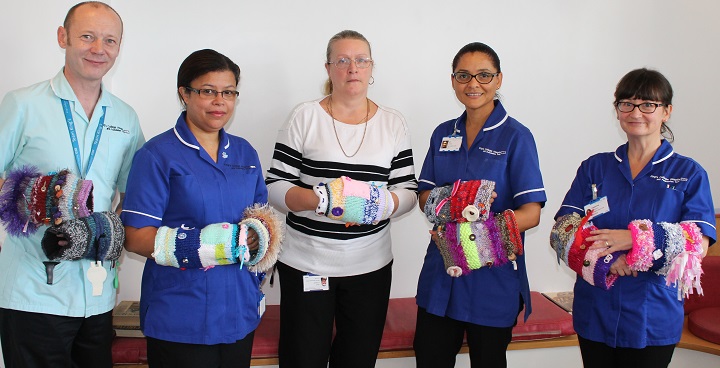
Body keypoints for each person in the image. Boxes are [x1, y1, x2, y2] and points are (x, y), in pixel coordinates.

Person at [0, 2, 144, 367]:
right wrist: (30, 197)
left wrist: (110, 228)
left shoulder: (125, 116)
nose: (99, 48)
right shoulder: (22, 104)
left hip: (97, 296)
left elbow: (134, 194)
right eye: (87, 36)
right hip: (32, 292)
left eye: (110, 40)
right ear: (63, 37)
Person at [120, 49, 282, 368]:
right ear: (184, 93)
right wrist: (207, 246)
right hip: (180, 317)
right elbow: (136, 237)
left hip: (238, 310)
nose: (219, 101)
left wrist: (260, 238)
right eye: (208, 91)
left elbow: (262, 221)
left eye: (228, 92)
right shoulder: (156, 155)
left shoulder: (245, 153)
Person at [265, 30, 418, 367]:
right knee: (303, 358)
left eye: (361, 60)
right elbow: (274, 187)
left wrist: (375, 206)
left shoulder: (392, 123)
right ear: (328, 67)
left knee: (357, 359)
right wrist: (322, 200)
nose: (353, 68)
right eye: (343, 60)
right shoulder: (304, 116)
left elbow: (408, 191)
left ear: (371, 67)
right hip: (307, 264)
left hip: (370, 267)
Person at [551, 68, 716, 368]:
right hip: (595, 308)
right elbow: (563, 228)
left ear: (666, 111)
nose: (636, 112)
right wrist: (605, 260)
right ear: (617, 111)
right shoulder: (594, 168)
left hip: (652, 315)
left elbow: (697, 243)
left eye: (648, 105)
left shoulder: (689, 174)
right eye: (626, 103)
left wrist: (635, 241)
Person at [413, 42, 546, 368]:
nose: (473, 84)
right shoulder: (443, 134)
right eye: (464, 75)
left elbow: (532, 213)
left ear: (498, 79)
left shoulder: (517, 137)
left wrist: (475, 235)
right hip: (440, 276)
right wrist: (454, 207)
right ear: (453, 80)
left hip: (491, 280)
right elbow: (424, 196)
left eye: (484, 75)